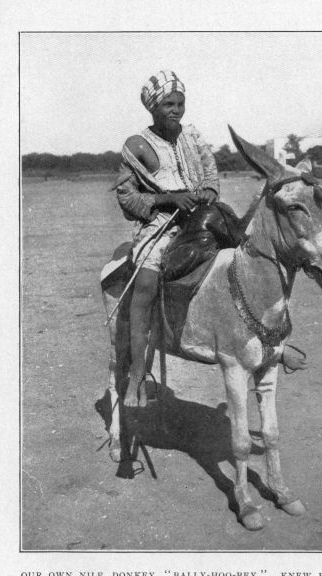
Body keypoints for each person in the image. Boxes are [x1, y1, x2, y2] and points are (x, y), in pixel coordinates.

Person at [115, 70, 223, 407]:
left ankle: (267, 343)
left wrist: (206, 191)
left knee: (244, 256)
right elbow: (126, 196)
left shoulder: (194, 137)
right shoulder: (137, 146)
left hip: (201, 217)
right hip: (161, 224)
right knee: (145, 282)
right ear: (152, 107)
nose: (176, 110)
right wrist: (168, 199)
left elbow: (211, 175)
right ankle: (136, 374)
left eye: (180, 103)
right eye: (168, 104)